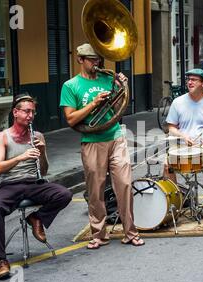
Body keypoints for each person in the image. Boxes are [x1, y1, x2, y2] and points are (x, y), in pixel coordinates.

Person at [60, 43, 144, 249]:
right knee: (95, 190)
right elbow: (71, 119)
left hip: (115, 136)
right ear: (80, 59)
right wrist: (94, 103)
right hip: (92, 141)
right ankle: (99, 234)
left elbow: (118, 109)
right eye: (91, 60)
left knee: (124, 184)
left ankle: (130, 232)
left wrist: (121, 88)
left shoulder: (108, 78)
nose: (96, 64)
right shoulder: (71, 86)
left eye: (98, 59)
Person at [0, 93, 72, 280]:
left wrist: (42, 152)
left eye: (33, 112)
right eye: (26, 112)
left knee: (64, 194)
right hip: (10, 184)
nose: (30, 116)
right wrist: (20, 157)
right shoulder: (2, 137)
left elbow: (45, 170)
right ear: (15, 112)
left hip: (34, 182)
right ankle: (0, 260)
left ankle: (36, 218)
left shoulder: (38, 135)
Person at [164, 68, 203, 221]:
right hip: (183, 148)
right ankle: (176, 201)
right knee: (166, 164)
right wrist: (182, 135)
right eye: (188, 79)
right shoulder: (177, 103)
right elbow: (171, 127)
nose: (189, 82)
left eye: (194, 80)